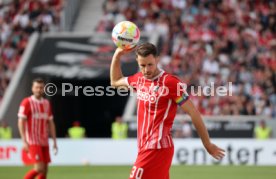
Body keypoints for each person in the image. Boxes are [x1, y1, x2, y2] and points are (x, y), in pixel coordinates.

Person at [110, 43, 225, 179]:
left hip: (157, 147)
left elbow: (193, 112)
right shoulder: (139, 79)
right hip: (144, 147)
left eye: (150, 64)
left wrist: (207, 144)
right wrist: (117, 55)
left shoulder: (170, 83)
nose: (146, 70)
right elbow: (115, 81)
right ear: (137, 62)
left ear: (157, 60)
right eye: (142, 65)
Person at [18, 78, 58, 179]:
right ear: (32, 88)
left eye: (41, 87)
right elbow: (21, 121)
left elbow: (51, 123)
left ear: (44, 89)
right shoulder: (27, 102)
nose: (38, 89)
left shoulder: (46, 103)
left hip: (44, 141)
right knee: (39, 168)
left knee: (44, 170)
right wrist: (24, 141)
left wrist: (54, 141)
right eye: (36, 87)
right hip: (33, 140)